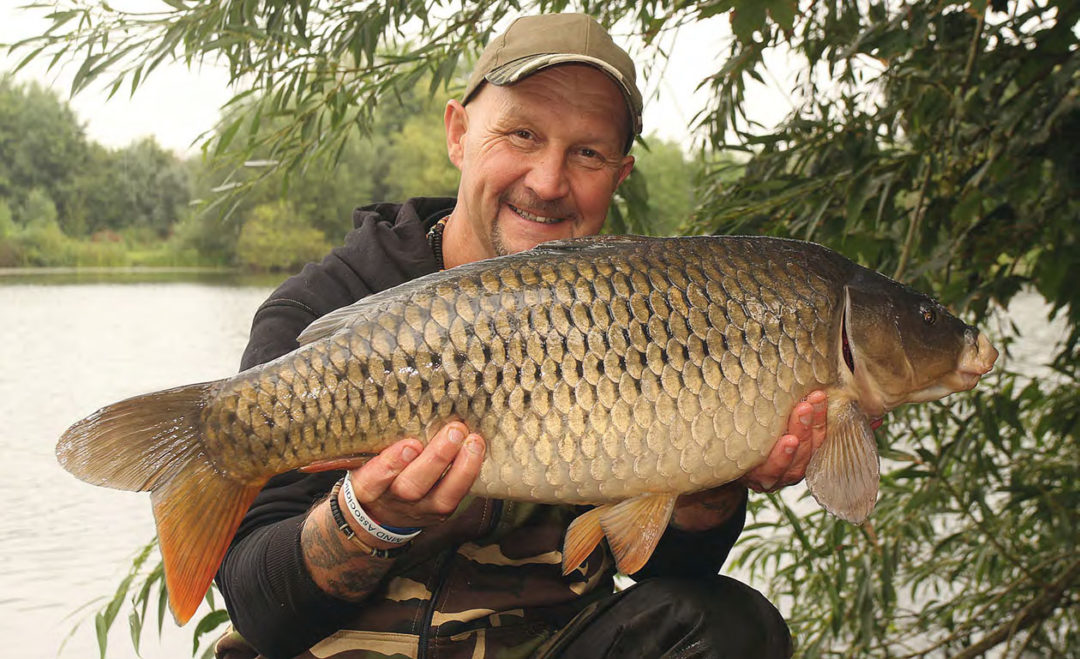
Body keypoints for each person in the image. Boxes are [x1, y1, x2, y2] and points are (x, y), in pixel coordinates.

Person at [215, 13, 827, 659]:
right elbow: (260, 608)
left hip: (544, 644)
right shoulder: (328, 307)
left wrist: (709, 483)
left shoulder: (646, 307)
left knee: (732, 623)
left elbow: (663, 569)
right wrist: (370, 518)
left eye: (587, 152)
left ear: (619, 176)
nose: (547, 181)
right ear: (459, 133)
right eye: (522, 134)